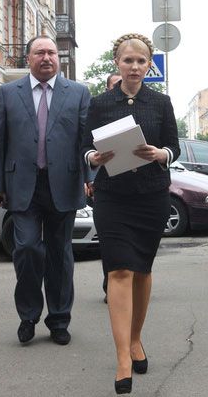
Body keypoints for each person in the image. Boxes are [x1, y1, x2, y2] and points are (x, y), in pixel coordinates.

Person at [82, 33, 180, 394]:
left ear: (149, 65)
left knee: (142, 270)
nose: (134, 66)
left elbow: (174, 145)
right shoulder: (99, 103)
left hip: (151, 196)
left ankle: (136, 338)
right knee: (119, 269)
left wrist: (161, 154)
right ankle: (123, 357)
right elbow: (84, 147)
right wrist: (93, 158)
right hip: (112, 197)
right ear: (117, 63)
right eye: (128, 60)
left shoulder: (161, 102)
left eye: (141, 61)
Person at [0, 36, 91, 346]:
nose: (47, 57)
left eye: (51, 52)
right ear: (29, 58)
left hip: (64, 183)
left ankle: (59, 319)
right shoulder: (8, 93)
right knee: (27, 249)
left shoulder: (79, 93)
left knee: (60, 254)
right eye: (39, 53)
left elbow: (86, 140)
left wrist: (91, 176)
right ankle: (28, 315)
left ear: (58, 58)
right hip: (21, 186)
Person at [99, 71, 122, 303]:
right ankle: (111, 284)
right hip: (108, 186)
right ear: (108, 89)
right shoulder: (101, 108)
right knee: (112, 243)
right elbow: (86, 145)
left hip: (139, 186)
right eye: (115, 85)